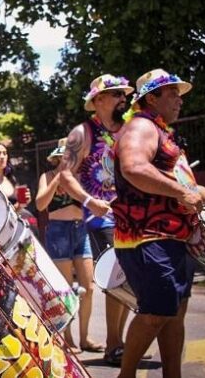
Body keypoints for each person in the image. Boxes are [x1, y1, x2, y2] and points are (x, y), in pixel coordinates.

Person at [113, 69, 205, 378]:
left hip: (174, 237)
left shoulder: (165, 135)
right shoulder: (140, 127)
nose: (179, 101)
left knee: (175, 314)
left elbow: (190, 187)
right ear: (151, 98)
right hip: (145, 237)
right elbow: (132, 167)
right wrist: (180, 192)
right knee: (156, 312)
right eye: (172, 94)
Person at [58, 73, 133, 364]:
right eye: (115, 94)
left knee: (129, 280)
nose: (122, 99)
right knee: (116, 277)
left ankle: (120, 339)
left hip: (133, 215)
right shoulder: (83, 133)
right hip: (101, 219)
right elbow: (65, 175)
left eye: (122, 94)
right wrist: (90, 201)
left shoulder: (130, 130)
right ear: (98, 100)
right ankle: (115, 343)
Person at [35, 139, 95, 353]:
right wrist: (57, 180)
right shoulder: (48, 176)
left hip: (81, 229)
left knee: (88, 288)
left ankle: (85, 337)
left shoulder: (81, 176)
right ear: (56, 159)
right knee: (67, 290)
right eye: (62, 158)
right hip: (58, 231)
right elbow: (40, 204)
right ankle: (68, 338)